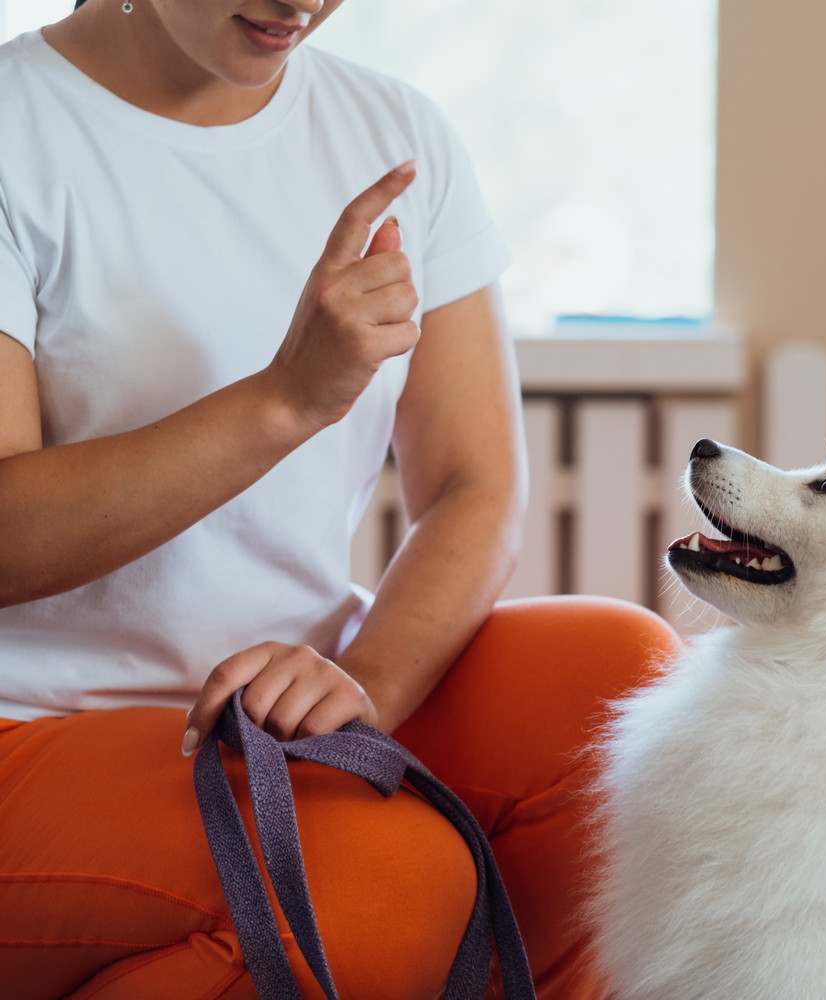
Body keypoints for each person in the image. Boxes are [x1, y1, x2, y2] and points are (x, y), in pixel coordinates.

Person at [0, 1, 679, 997]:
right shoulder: (19, 128)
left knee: (623, 692)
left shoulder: (393, 134)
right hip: (33, 724)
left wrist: (364, 688)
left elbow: (473, 483)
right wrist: (286, 399)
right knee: (381, 881)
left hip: (286, 703)